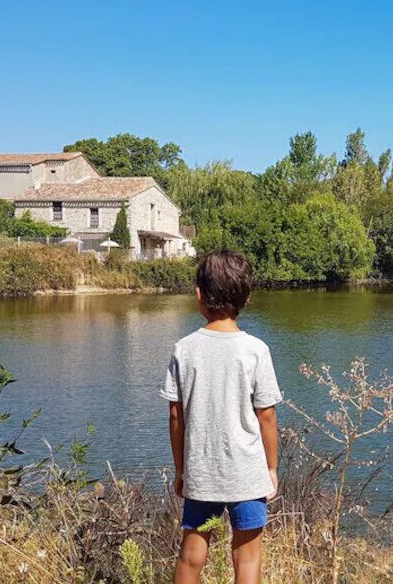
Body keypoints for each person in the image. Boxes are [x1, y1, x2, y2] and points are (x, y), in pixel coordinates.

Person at [159, 250, 282, 584]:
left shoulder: (184, 349)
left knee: (191, 556)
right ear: (247, 298)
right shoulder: (256, 350)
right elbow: (267, 416)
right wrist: (271, 469)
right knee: (247, 558)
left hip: (201, 470)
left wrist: (181, 469)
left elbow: (175, 415)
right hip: (247, 473)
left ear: (198, 295)